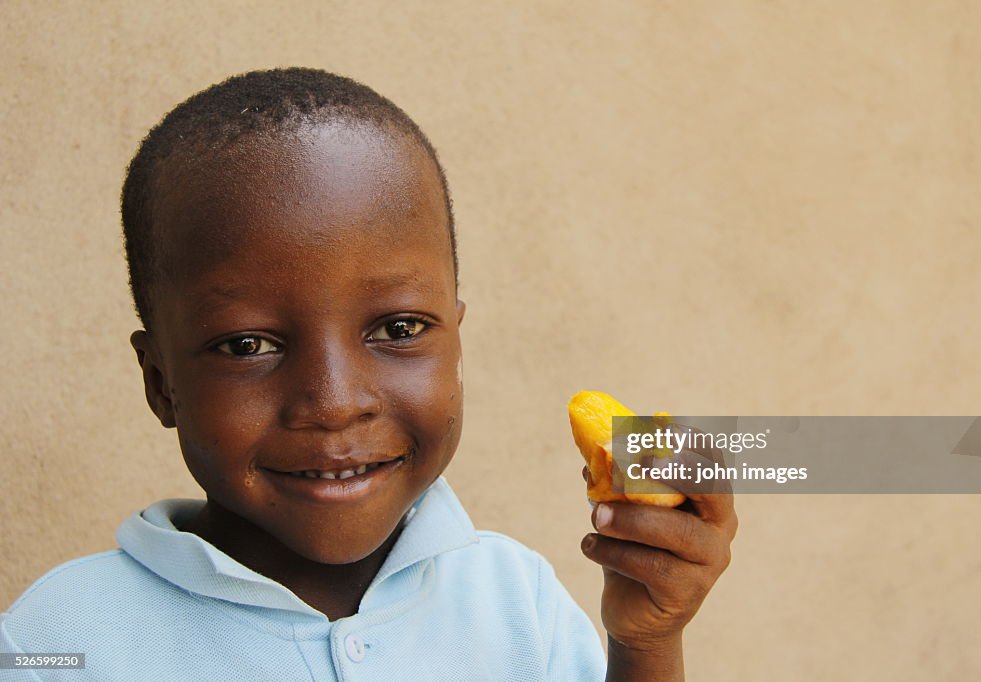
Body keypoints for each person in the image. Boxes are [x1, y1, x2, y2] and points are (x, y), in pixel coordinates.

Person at [0, 68, 737, 681]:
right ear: (160, 382)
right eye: (249, 344)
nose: (335, 403)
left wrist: (645, 642)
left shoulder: (516, 601)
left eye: (398, 330)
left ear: (455, 340)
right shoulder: (58, 642)